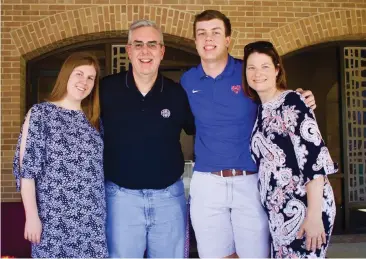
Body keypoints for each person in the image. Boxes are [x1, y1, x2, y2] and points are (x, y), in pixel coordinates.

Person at [180, 10, 317, 258]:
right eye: (202, 33)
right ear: (195, 40)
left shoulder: (247, 72)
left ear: (228, 39)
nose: (208, 38)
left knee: (255, 254)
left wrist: (300, 97)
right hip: (207, 181)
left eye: (215, 32)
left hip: (251, 180)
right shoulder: (188, 80)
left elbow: (276, 96)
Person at [100, 19, 195, 258]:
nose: (145, 51)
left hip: (169, 199)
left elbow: (204, 126)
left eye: (152, 44)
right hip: (121, 199)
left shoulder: (176, 93)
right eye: (138, 44)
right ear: (129, 50)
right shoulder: (105, 90)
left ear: (162, 51)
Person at [243, 40, 337, 258]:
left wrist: (314, 216)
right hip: (279, 214)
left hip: (305, 209)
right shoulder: (261, 110)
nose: (258, 73)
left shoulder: (293, 101)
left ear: (277, 69)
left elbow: (315, 160)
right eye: (251, 67)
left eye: (265, 66)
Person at [12, 52, 108, 258]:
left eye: (91, 77)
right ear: (66, 75)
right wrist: (32, 216)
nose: (84, 82)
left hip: (92, 221)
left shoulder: (94, 122)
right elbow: (26, 171)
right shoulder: (41, 114)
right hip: (53, 221)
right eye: (79, 74)